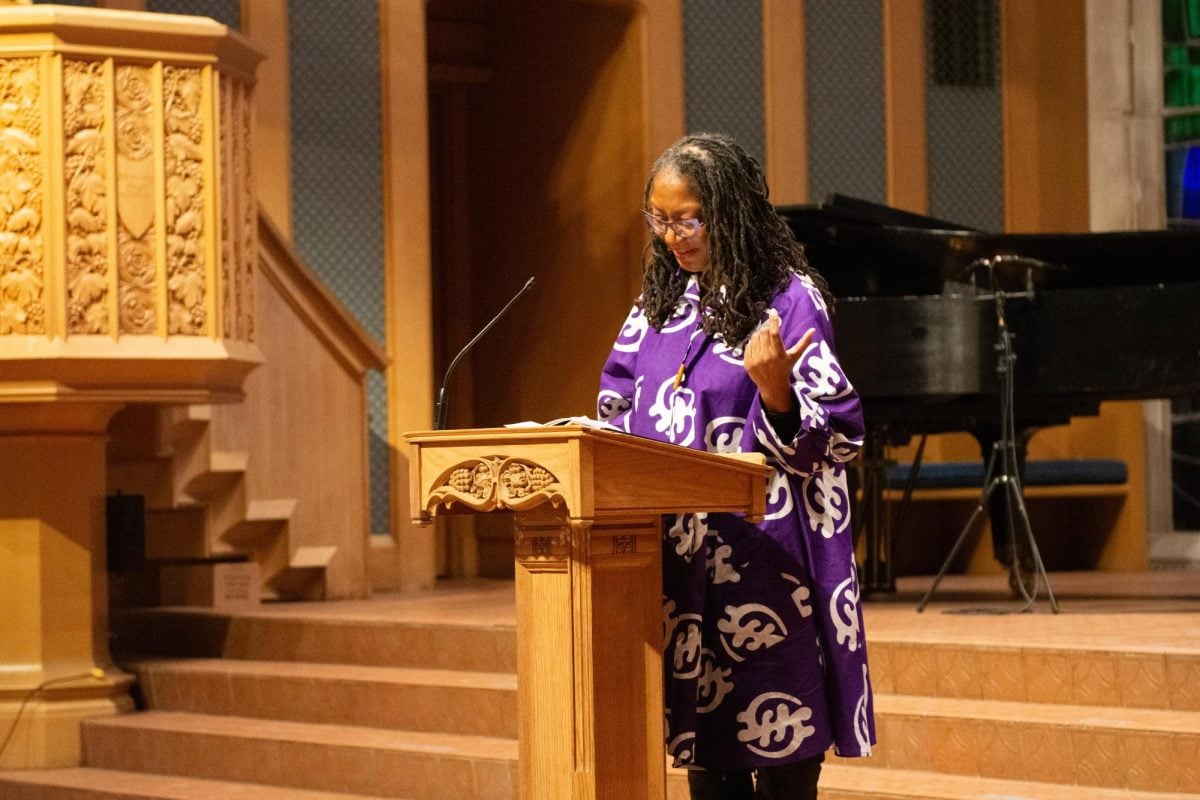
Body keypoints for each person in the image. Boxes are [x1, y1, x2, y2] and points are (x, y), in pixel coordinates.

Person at [596, 132, 875, 799]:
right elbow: (612, 410)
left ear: (729, 211)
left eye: (687, 218)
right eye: (659, 220)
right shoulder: (654, 311)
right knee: (710, 772)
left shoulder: (789, 300)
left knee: (783, 776)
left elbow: (839, 437)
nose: (673, 237)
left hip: (770, 568)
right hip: (683, 575)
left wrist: (777, 398)